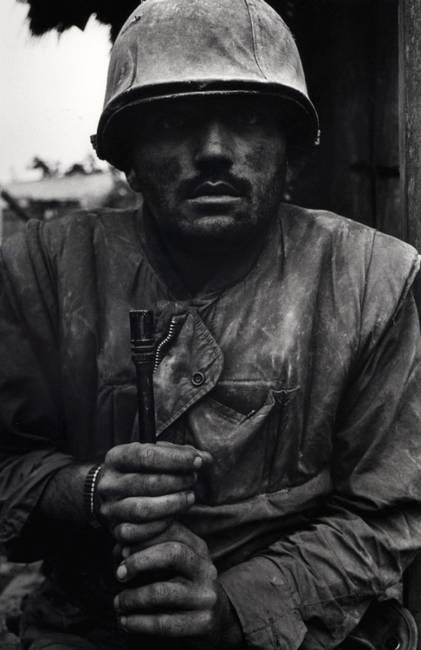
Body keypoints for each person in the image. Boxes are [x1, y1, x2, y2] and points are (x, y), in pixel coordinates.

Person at [1, 0, 421, 648]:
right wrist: (84, 491)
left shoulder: (371, 280)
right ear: (126, 157)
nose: (214, 151)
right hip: (93, 624)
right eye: (174, 121)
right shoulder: (39, 271)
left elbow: (386, 514)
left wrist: (238, 607)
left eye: (249, 119)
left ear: (293, 155)